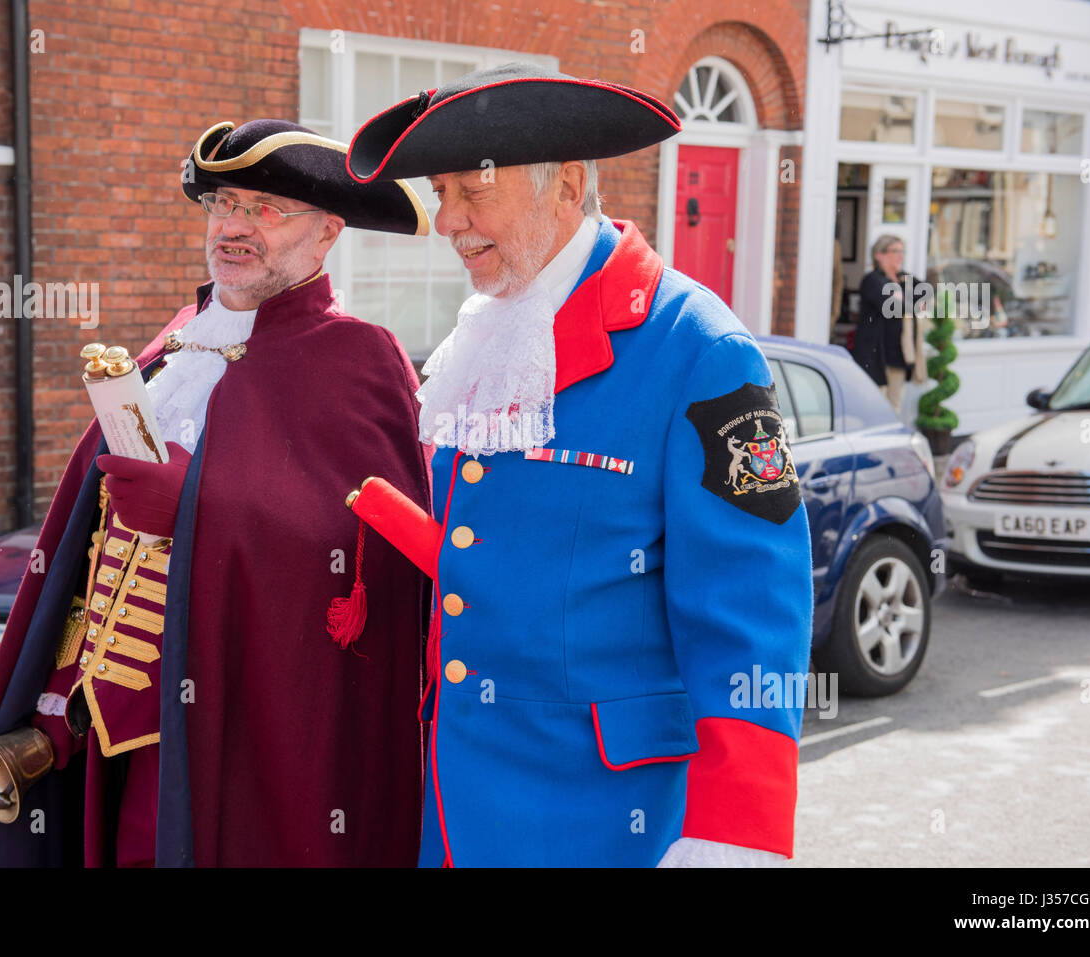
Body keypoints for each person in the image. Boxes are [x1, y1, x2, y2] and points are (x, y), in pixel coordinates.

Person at [345, 63, 814, 867]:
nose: (447, 220)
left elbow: (753, 607)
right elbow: (505, 546)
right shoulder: (482, 337)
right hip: (455, 802)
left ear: (563, 187)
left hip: (607, 818)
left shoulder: (702, 349)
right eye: (439, 194)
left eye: (470, 191)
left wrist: (735, 829)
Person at [0, 119, 432, 867]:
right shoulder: (177, 340)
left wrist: (202, 509)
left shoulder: (360, 358)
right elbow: (89, 537)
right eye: (222, 204)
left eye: (265, 209)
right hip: (103, 720)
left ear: (327, 231)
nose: (232, 227)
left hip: (237, 724)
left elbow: (373, 565)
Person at [852, 234, 927, 413]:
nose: (901, 256)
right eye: (896, 251)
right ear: (879, 255)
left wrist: (904, 299)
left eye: (902, 251)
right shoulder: (872, 280)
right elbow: (893, 306)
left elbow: (926, 294)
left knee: (894, 407)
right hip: (877, 356)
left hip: (899, 356)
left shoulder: (903, 278)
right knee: (874, 407)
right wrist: (906, 302)